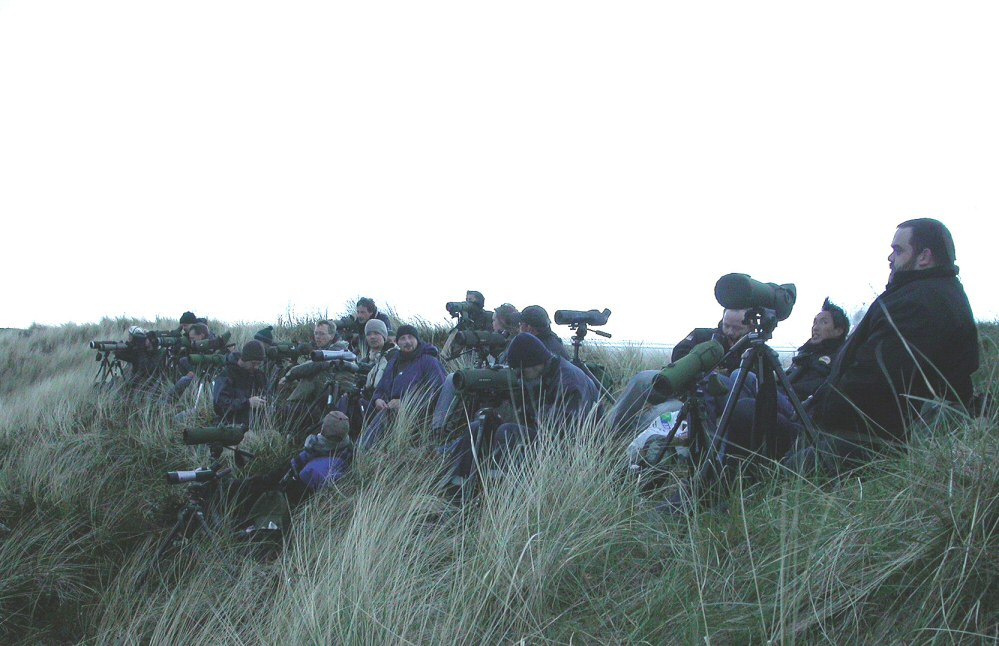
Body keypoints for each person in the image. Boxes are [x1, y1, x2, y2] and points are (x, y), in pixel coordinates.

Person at [726, 219, 979, 473]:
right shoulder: (927, 294)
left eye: (898, 250)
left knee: (749, 420)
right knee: (750, 412)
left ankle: (740, 488)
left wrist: (817, 416)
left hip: (866, 441)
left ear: (924, 257)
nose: (890, 258)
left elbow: (875, 383)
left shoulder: (920, 304)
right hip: (855, 429)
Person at [440, 333, 599, 497]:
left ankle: (499, 494)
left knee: (507, 433)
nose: (519, 377)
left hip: (571, 450)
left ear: (534, 364)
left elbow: (567, 429)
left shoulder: (570, 381)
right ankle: (455, 489)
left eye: (521, 372)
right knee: (479, 426)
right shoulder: (542, 374)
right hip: (546, 436)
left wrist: (527, 406)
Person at [607, 309, 751, 436]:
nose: (730, 331)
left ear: (750, 326)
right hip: (677, 381)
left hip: (700, 399)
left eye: (737, 328)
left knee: (661, 412)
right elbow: (678, 352)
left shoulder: (753, 350)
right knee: (641, 379)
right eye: (726, 325)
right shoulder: (702, 335)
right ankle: (609, 429)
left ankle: (628, 440)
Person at [359, 325, 446, 448]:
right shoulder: (393, 362)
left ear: (417, 339)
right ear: (397, 342)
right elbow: (381, 388)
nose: (407, 342)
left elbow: (438, 390)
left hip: (418, 417)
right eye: (403, 338)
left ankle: (365, 451)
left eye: (410, 337)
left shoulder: (429, 361)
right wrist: (377, 399)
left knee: (383, 420)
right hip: (388, 411)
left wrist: (405, 403)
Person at [277, 321, 351, 439]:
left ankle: (290, 410)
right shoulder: (324, 348)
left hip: (334, 394)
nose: (317, 337)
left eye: (322, 334)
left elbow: (314, 365)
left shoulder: (338, 350)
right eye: (316, 333)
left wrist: (289, 376)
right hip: (325, 392)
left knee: (310, 377)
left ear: (332, 335)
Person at [213, 340, 269, 426]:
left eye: (259, 364)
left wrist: (265, 401)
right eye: (253, 363)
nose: (256, 367)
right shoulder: (226, 375)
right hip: (231, 426)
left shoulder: (259, 375)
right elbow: (220, 407)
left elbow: (268, 395)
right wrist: (247, 403)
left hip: (258, 425)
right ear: (244, 359)